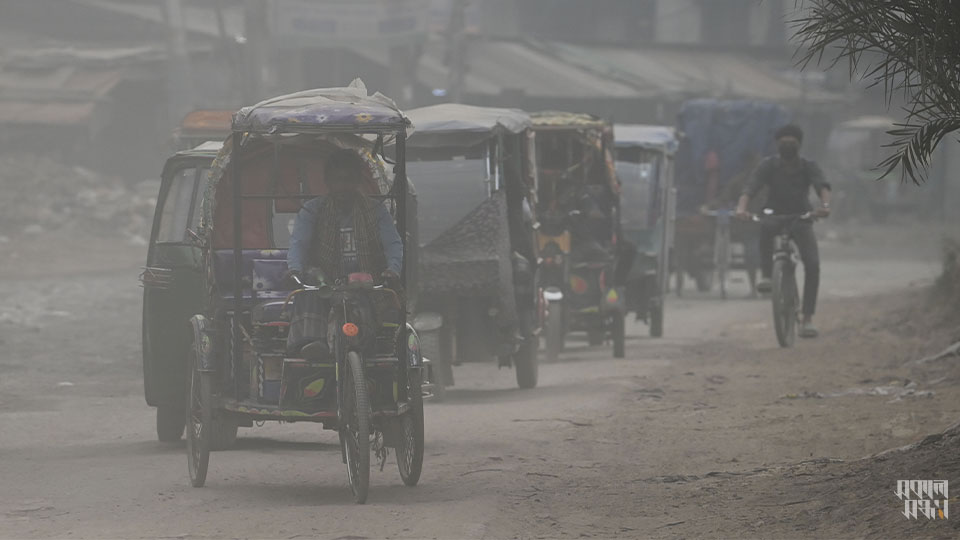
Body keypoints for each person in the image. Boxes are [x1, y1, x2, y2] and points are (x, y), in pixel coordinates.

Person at [285, 148, 403, 354]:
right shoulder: (314, 210)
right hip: (325, 283)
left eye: (348, 180)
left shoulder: (375, 210)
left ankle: (366, 348)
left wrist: (393, 269)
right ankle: (313, 345)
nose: (342, 187)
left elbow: (393, 243)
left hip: (365, 282)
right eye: (337, 180)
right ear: (328, 182)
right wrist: (294, 269)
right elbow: (299, 243)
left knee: (375, 316)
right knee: (309, 284)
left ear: (357, 181)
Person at [736, 124, 831, 338]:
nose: (787, 145)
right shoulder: (768, 165)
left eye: (792, 141)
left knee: (813, 264)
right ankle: (767, 275)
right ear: (777, 144)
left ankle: (807, 318)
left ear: (799, 144)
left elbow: (822, 186)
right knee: (765, 227)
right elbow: (751, 187)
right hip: (774, 215)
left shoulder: (808, 166)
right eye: (783, 142)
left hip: (801, 217)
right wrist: (741, 209)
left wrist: (824, 207)